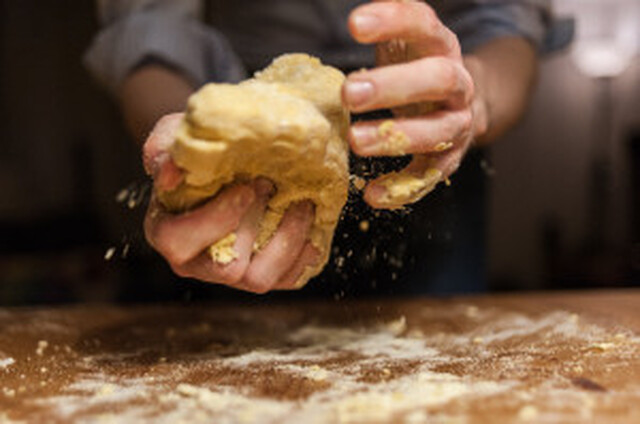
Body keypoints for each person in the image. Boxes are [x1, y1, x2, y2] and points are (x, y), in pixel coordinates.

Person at [85, 0, 562, 297]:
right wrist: (187, 143)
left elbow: (508, 23)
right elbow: (149, 24)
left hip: (431, 145)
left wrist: (470, 99)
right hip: (246, 133)